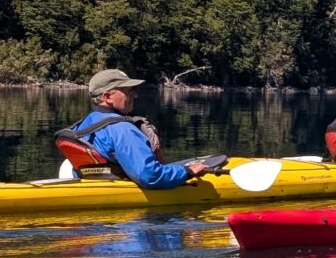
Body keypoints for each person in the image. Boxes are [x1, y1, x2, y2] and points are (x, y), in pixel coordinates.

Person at [55, 69, 219, 189]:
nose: (135, 95)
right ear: (107, 97)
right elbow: (149, 176)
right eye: (128, 91)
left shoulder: (82, 124)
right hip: (121, 197)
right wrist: (187, 171)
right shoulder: (123, 129)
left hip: (92, 186)